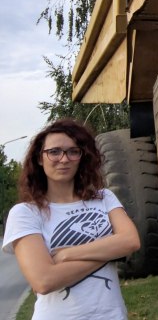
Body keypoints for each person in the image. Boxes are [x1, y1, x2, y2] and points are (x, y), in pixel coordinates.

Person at [2, 119, 140, 320]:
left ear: (82, 156)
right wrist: (110, 252)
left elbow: (131, 241)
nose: (64, 159)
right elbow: (44, 281)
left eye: (73, 151)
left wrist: (67, 254)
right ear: (40, 158)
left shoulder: (104, 198)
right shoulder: (25, 213)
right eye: (54, 152)